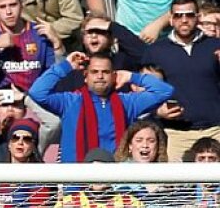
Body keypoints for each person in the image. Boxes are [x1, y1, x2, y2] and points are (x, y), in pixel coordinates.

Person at [28, 50, 173, 163]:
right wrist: (66, 66)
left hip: (116, 183)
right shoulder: (69, 102)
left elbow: (165, 91)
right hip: (76, 183)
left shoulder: (128, 103)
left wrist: (131, 77)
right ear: (85, 76)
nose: (100, 76)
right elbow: (37, 92)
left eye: (105, 72)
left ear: (114, 75)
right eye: (94, 72)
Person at [141, 0, 220, 161]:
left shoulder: (215, 45)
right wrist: (157, 111)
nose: (184, 20)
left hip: (216, 129)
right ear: (170, 19)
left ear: (197, 18)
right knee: (177, 186)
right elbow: (144, 93)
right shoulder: (155, 51)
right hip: (177, 134)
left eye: (189, 15)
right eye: (178, 15)